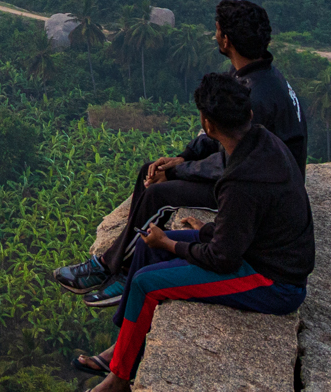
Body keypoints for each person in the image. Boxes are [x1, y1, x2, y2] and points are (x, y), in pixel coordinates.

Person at [53, 0, 307, 306]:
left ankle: (119, 270)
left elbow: (230, 165)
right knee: (150, 170)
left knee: (161, 195)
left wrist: (176, 171)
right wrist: (184, 158)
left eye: (216, 30)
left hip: (261, 193)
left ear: (225, 39)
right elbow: (214, 136)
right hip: (262, 177)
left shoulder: (258, 96)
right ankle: (113, 261)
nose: (215, 36)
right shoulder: (253, 75)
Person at [72, 71, 313, 390]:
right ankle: (124, 346)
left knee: (147, 282)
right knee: (147, 245)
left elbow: (223, 259)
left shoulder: (241, 180)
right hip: (253, 248)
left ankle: (118, 377)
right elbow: (247, 221)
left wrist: (172, 244)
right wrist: (211, 230)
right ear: (249, 114)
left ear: (208, 126)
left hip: (273, 280)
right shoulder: (262, 141)